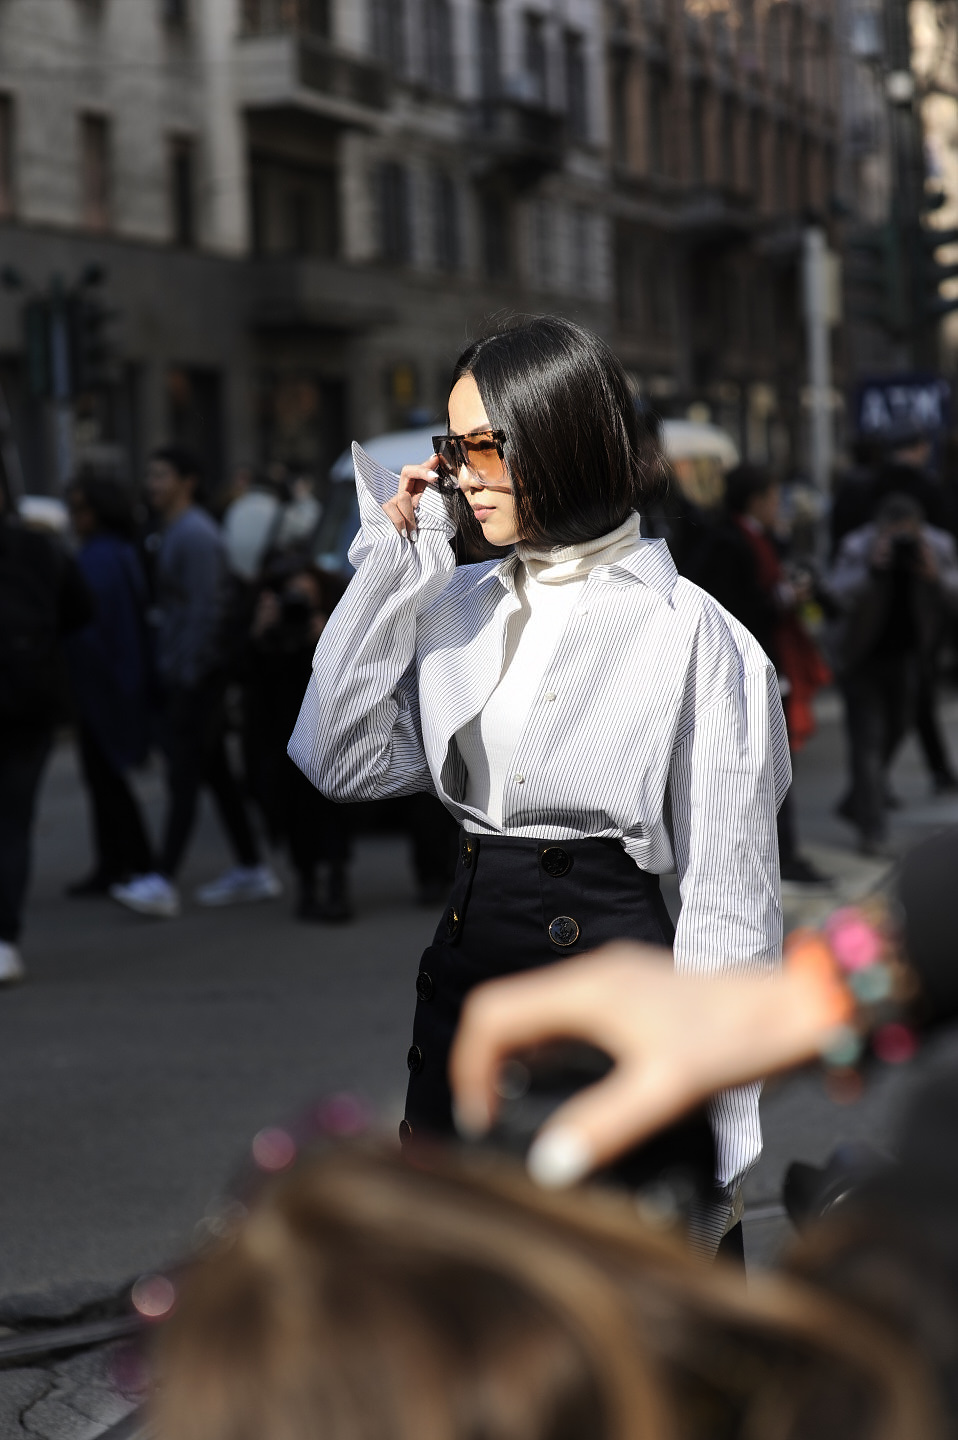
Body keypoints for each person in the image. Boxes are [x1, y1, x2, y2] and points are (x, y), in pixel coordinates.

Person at [290, 316, 790, 1253]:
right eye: (451, 446)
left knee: (613, 1349)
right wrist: (400, 559)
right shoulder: (456, 605)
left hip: (613, 1019)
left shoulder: (695, 637)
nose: (459, 471)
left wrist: (715, 1154)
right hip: (463, 1001)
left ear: (559, 436)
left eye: (481, 444)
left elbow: (731, 914)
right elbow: (337, 757)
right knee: (462, 1335)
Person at [111, 446, 279, 919]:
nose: (152, 484)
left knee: (185, 777)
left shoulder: (195, 534)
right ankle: (251, 866)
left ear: (187, 481)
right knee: (214, 775)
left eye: (161, 475)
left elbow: (207, 611)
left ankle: (162, 878)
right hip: (189, 674)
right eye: (150, 475)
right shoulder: (177, 531)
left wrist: (190, 673)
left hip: (197, 678)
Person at [689, 464, 830, 891]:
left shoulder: (760, 538)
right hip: (749, 668)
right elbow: (738, 609)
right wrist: (785, 597)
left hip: (774, 662)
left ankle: (781, 853)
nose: (779, 507)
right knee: (766, 764)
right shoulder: (729, 542)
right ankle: (777, 856)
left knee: (775, 761)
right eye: (772, 498)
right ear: (754, 501)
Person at [826, 491, 958, 855]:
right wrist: (871, 568)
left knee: (898, 728)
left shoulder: (937, 545)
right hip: (861, 658)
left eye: (908, 533)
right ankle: (872, 830)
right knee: (867, 744)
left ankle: (858, 800)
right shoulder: (859, 546)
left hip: (909, 657)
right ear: (879, 528)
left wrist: (934, 575)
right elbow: (836, 594)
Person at [0, 478, 92, 982]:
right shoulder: (38, 548)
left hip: (25, 709)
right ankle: (4, 939)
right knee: (12, 825)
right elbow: (82, 610)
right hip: (29, 706)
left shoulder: (36, 547)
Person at [243, 559, 352, 921]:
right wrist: (259, 635)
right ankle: (307, 885)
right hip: (282, 738)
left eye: (305, 596)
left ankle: (337, 883)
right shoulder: (269, 635)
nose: (297, 605)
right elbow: (249, 684)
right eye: (291, 596)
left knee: (332, 810)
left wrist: (326, 641)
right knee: (294, 813)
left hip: (329, 734)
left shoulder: (331, 628)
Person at [63, 473, 155, 895]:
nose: (74, 517)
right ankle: (119, 862)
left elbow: (90, 630)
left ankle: (133, 863)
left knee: (106, 777)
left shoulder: (98, 557)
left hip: (104, 681)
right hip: (118, 676)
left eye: (81, 508)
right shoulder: (116, 551)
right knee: (105, 776)